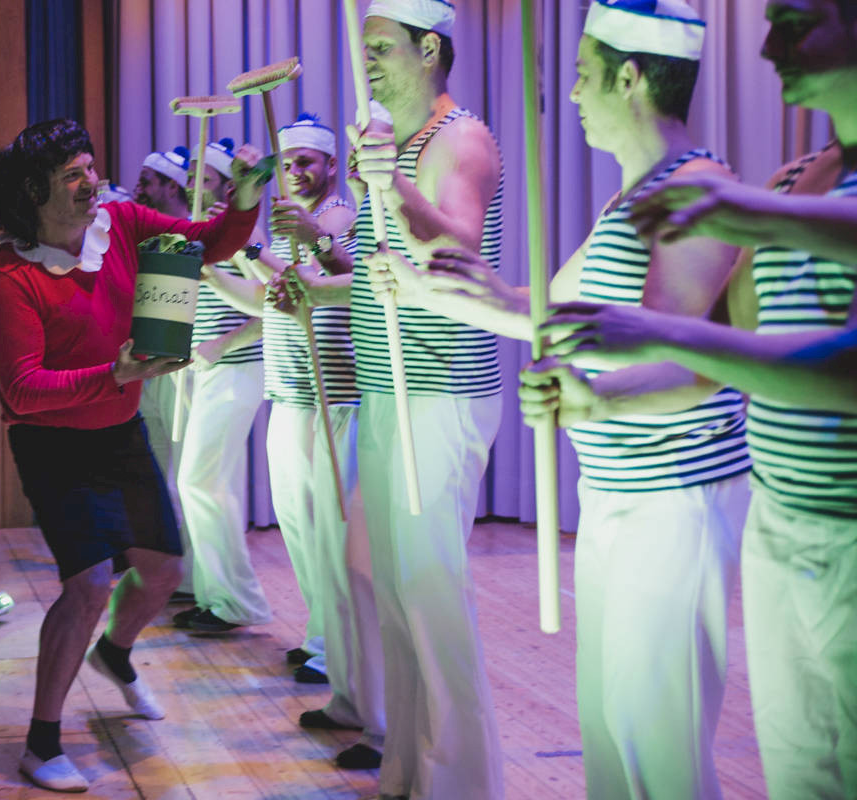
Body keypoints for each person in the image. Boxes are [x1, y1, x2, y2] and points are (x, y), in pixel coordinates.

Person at [371, 2, 755, 797]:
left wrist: (592, 399)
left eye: (583, 76)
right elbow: (541, 310)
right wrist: (422, 287)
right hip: (615, 493)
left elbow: (683, 357)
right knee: (613, 735)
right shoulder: (628, 201)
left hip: (674, 498)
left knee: (658, 745)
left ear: (630, 78)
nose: (572, 94)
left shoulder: (696, 191)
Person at [537, 3, 857, 794]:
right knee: (794, 773)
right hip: (778, 518)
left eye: (794, 20)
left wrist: (646, 352)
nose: (768, 45)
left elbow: (760, 363)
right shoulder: (792, 180)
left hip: (799, 517)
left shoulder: (723, 190)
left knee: (666, 747)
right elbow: (736, 346)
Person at [0, 118, 262, 792]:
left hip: (119, 431)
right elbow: (23, 389)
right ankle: (41, 742)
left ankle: (114, 652)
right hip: (54, 444)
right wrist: (117, 373)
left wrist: (246, 200)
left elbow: (210, 244)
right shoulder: (9, 277)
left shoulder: (123, 223)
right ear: (34, 192)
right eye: (72, 175)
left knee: (163, 572)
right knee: (89, 587)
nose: (92, 182)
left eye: (90, 167)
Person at [284, 1, 509, 795]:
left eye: (381, 48)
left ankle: (460, 782)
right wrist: (322, 284)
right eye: (365, 48)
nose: (367, 62)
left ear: (430, 48)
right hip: (388, 388)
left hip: (441, 389)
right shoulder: (394, 143)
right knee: (388, 589)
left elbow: (458, 248)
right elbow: (388, 274)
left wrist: (391, 185)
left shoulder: (462, 138)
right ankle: (410, 769)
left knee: (430, 595)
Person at [208, 113, 387, 769]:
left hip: (337, 400)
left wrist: (274, 248)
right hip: (291, 397)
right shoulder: (289, 224)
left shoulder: (339, 216)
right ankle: (339, 675)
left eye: (307, 161)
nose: (296, 172)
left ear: (332, 166)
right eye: (288, 163)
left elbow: (345, 278)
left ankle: (365, 694)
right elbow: (272, 301)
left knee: (341, 553)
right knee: (307, 543)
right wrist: (238, 256)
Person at [171, 138, 270, 633]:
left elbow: (271, 304)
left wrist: (222, 345)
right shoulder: (197, 231)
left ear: (227, 186)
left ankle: (236, 600)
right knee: (210, 486)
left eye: (203, 178)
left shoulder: (238, 231)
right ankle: (216, 597)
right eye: (190, 176)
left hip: (237, 367)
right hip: (202, 370)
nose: (193, 184)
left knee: (198, 482)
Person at [131, 146, 196, 601]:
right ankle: (165, 572)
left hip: (184, 369)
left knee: (185, 476)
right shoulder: (143, 235)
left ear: (172, 186)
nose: (139, 188)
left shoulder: (193, 235)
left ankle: (192, 580)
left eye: (147, 181)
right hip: (145, 370)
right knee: (154, 475)